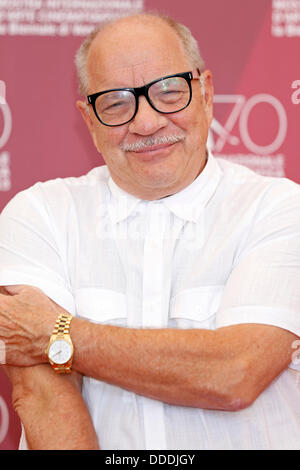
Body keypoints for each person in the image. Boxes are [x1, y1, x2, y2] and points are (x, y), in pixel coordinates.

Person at [0, 11, 300, 450]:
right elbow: (43, 396)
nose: (147, 122)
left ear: (206, 92)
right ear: (89, 119)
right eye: (117, 103)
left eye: (169, 92)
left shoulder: (280, 209)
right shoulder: (40, 214)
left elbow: (235, 373)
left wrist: (57, 334)